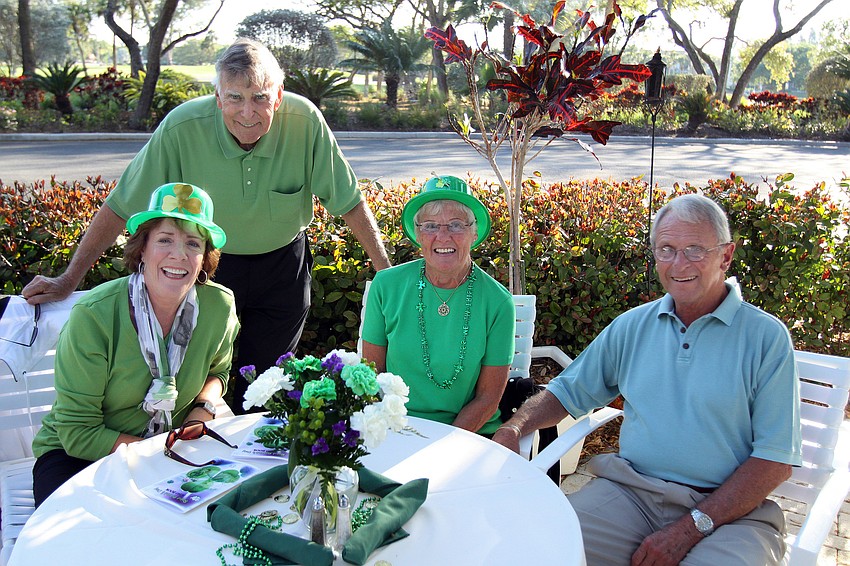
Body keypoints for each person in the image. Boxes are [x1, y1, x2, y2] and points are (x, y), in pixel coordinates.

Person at [21, 38, 390, 413]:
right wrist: (69, 278)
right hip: (208, 268)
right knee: (199, 386)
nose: (248, 112)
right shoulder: (182, 127)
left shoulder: (306, 122)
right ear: (217, 97)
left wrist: (387, 278)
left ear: (278, 97)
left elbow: (350, 202)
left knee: (268, 388)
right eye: (235, 98)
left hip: (283, 268)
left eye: (260, 97)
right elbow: (120, 206)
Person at [494, 193, 801, 565]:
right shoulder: (634, 325)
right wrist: (514, 427)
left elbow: (775, 459)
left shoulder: (765, 337)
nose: (678, 263)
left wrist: (689, 528)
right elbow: (568, 391)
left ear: (726, 255)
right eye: (666, 249)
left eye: (694, 250)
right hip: (631, 494)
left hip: (730, 512)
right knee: (538, 546)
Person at [31, 182, 239, 507]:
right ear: (142, 248)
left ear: (204, 258)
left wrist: (204, 408)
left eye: (193, 243)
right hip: (81, 455)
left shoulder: (219, 307)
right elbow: (77, 432)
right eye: (165, 240)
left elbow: (219, 372)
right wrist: (158, 454)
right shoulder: (94, 316)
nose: (179, 254)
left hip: (169, 448)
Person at [361, 175, 515, 435]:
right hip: (395, 427)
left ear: (474, 232)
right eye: (430, 226)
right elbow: (372, 376)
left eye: (456, 225)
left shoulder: (498, 302)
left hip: (466, 434)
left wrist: (444, 446)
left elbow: (487, 399)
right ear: (418, 233)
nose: (443, 237)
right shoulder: (386, 285)